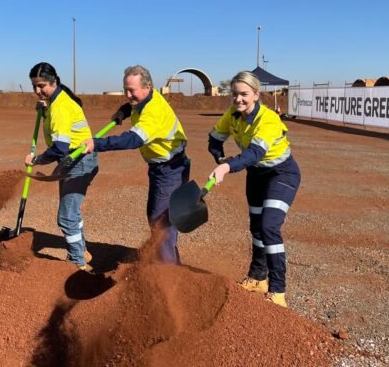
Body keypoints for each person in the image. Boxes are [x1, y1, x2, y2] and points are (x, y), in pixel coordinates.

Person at [207, 71, 301, 308]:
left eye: (244, 94)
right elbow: (215, 138)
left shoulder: (268, 120)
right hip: (257, 175)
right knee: (256, 227)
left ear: (256, 95)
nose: (238, 99)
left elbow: (254, 154)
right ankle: (257, 277)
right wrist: (219, 158)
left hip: (281, 173)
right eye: (235, 94)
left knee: (269, 226)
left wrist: (227, 167)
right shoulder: (233, 115)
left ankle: (277, 290)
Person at [83, 65, 189, 264]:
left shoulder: (153, 111)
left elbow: (132, 140)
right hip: (160, 168)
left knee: (161, 223)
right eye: (125, 89)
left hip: (170, 169)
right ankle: (168, 260)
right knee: (156, 216)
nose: (128, 94)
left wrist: (96, 144)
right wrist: (121, 112)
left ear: (148, 87)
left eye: (132, 90)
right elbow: (130, 104)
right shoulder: (142, 99)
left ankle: (167, 272)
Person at [24, 62, 98, 271]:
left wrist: (36, 160)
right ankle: (82, 251)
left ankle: (78, 263)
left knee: (66, 216)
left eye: (42, 86)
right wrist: (45, 109)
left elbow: (59, 148)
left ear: (54, 82)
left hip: (79, 163)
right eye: (34, 86)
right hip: (71, 161)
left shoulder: (61, 107)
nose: (38, 91)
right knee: (71, 213)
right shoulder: (56, 101)